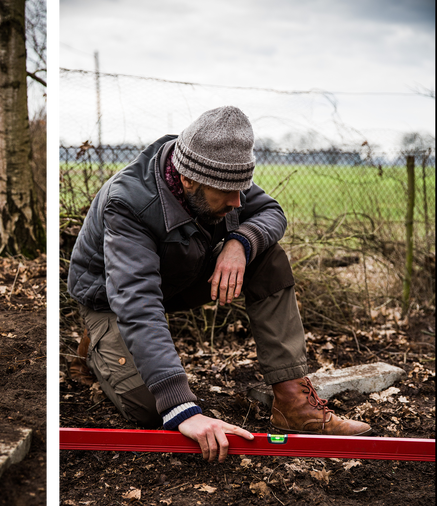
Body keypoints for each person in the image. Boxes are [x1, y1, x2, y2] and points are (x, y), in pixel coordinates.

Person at [67, 106, 371, 463]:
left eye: (241, 189)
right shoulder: (129, 203)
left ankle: (292, 401)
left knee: (269, 257)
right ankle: (97, 347)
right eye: (226, 193)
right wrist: (181, 407)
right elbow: (137, 303)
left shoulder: (218, 172)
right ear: (188, 180)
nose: (237, 202)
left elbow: (272, 211)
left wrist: (240, 243)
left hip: (179, 275)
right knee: (152, 410)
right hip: (112, 298)